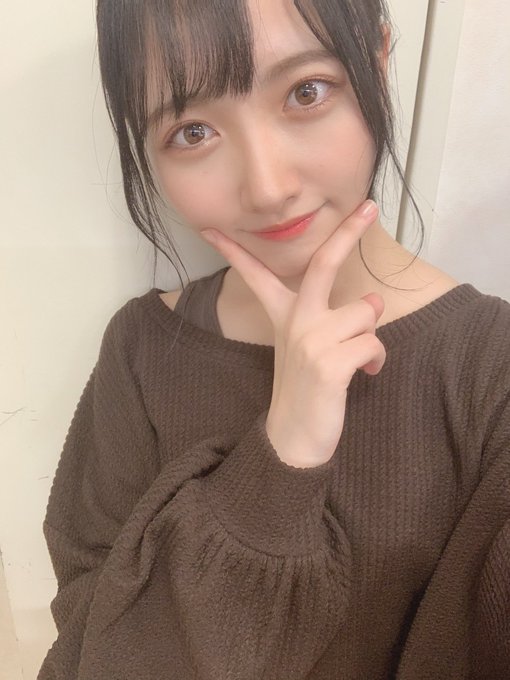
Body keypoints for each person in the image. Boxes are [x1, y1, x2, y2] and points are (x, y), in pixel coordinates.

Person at [38, 0, 510, 678]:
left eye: (306, 92)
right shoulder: (141, 351)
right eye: (193, 131)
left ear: (377, 61)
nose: (266, 187)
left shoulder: (493, 370)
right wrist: (281, 456)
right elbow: (94, 650)